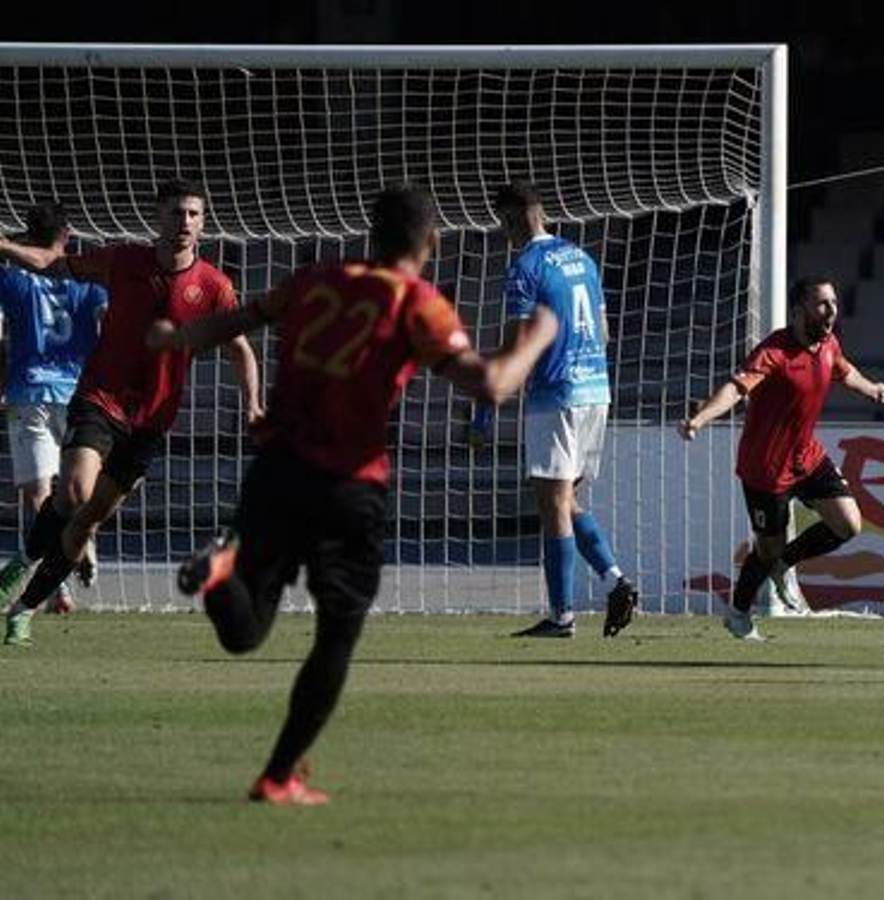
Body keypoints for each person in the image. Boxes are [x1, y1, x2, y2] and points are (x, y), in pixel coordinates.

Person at [150, 184, 549, 805]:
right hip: (347, 486)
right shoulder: (417, 301)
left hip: (276, 473)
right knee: (335, 636)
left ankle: (217, 573)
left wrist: (183, 339)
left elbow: (246, 317)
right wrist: (537, 336)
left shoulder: (315, 280)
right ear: (432, 243)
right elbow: (491, 385)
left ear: (370, 234)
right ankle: (277, 775)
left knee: (245, 630)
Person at [0, 180, 262, 647]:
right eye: (177, 212)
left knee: (85, 521)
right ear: (158, 216)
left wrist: (253, 404)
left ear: (203, 223)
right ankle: (23, 558)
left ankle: (23, 607)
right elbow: (51, 263)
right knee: (77, 494)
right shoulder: (123, 261)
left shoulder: (213, 286)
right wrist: (3, 244)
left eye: (193, 215)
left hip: (152, 421)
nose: (184, 222)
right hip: (100, 397)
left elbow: (239, 348)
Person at [679, 277, 884, 641]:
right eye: (822, 304)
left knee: (848, 524)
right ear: (798, 312)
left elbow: (845, 370)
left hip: (807, 457)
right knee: (767, 547)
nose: (831, 311)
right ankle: (739, 612)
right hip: (765, 468)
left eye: (834, 303)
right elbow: (736, 388)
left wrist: (871, 388)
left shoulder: (828, 344)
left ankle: (784, 564)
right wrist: (700, 418)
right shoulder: (773, 352)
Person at [493, 180, 637, 640]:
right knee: (568, 500)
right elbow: (605, 332)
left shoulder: (525, 266)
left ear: (511, 221)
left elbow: (519, 343)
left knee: (551, 504)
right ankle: (615, 580)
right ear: (545, 214)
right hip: (597, 388)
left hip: (556, 394)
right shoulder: (582, 258)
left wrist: (489, 394)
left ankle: (561, 617)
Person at [0, 202, 107, 615]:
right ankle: (83, 548)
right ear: (66, 236)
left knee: (39, 492)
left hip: (29, 392)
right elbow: (107, 324)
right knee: (79, 491)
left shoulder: (13, 281)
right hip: (80, 394)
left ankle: (56, 590)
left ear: (28, 237)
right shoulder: (89, 280)